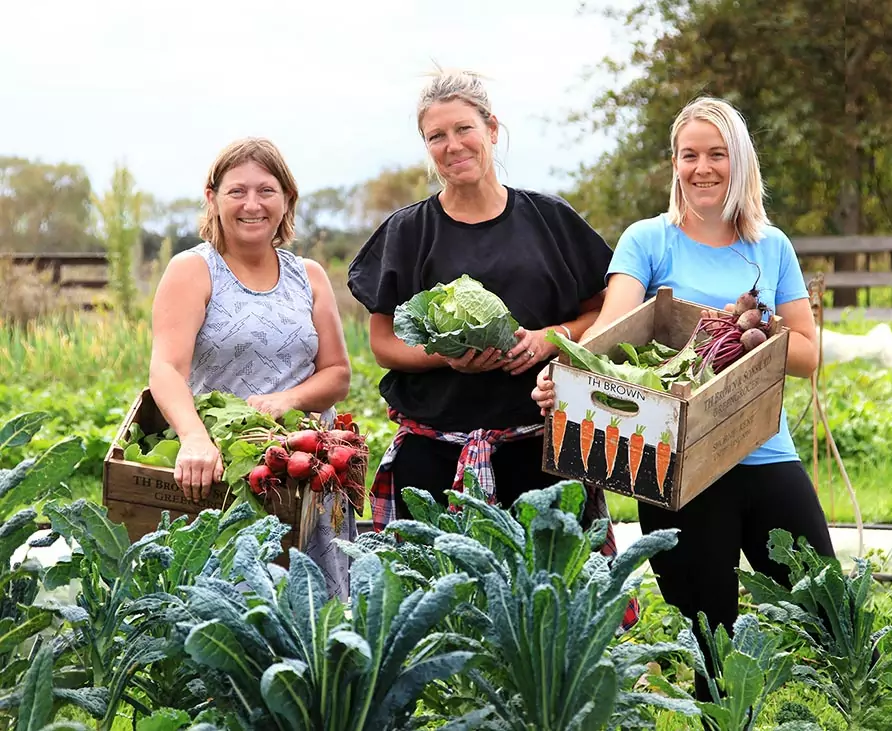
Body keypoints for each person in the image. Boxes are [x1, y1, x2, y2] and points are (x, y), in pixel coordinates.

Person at [532, 96, 836, 699]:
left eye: (717, 154)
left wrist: (755, 332)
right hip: (677, 464)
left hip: (766, 453)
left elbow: (809, 352)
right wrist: (566, 375)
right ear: (674, 163)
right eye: (689, 155)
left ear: (739, 162)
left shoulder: (769, 246)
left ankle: (851, 707)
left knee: (827, 605)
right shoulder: (650, 241)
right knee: (709, 638)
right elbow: (610, 333)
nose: (703, 168)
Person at [346, 68, 630, 573]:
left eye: (464, 129)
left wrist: (552, 339)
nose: (452, 145)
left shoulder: (549, 220)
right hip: (433, 451)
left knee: (547, 607)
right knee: (431, 607)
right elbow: (384, 345)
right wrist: (444, 359)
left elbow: (605, 311)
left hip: (540, 449)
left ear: (492, 129)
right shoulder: (408, 232)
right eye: (436, 136)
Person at [149, 137, 355, 599]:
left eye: (266, 191)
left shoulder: (309, 275)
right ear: (212, 198)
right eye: (237, 191)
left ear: (286, 200)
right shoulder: (193, 270)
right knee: (231, 612)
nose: (252, 204)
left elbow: (337, 373)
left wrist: (289, 400)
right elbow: (165, 367)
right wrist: (194, 439)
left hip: (307, 473)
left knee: (317, 618)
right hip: (227, 471)